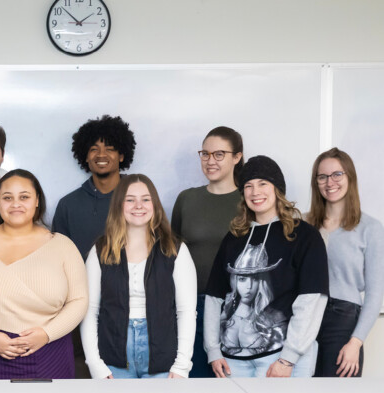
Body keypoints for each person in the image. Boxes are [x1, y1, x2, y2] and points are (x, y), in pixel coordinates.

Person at [0, 169, 88, 379]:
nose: (16, 204)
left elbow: (79, 300)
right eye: (7, 197)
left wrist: (46, 334)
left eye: (24, 197)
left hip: (50, 353)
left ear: (37, 201)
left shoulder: (63, 246)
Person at [204, 155, 329, 378]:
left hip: (283, 358)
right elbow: (215, 297)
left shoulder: (304, 236)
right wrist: (213, 350)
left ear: (278, 189)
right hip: (232, 360)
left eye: (263, 184)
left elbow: (311, 300)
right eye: (248, 186)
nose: (255, 192)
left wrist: (288, 358)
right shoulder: (233, 239)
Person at [81, 174, 197, 379]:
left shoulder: (175, 249)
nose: (138, 206)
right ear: (119, 205)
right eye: (130, 199)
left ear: (155, 204)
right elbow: (90, 311)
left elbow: (186, 311)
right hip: (113, 357)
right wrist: (95, 364)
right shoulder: (101, 251)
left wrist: (181, 365)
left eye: (145, 199)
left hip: (163, 357)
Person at [52, 114, 137, 378]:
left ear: (122, 155)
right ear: (85, 157)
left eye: (110, 147)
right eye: (94, 149)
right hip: (80, 310)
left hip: (132, 310)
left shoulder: (139, 199)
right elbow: (55, 262)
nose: (101, 154)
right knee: (82, 382)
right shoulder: (68, 204)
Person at [171, 126, 244, 378]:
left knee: (236, 386)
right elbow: (172, 255)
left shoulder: (250, 201)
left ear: (237, 157)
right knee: (196, 387)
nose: (210, 161)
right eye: (205, 153)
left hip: (239, 309)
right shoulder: (187, 199)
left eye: (219, 154)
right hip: (193, 306)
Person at [307, 148, 384, 377]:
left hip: (342, 322)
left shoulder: (371, 228)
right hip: (304, 319)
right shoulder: (304, 224)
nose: (330, 182)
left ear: (350, 176)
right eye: (322, 177)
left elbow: (374, 294)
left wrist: (355, 343)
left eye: (337, 174)